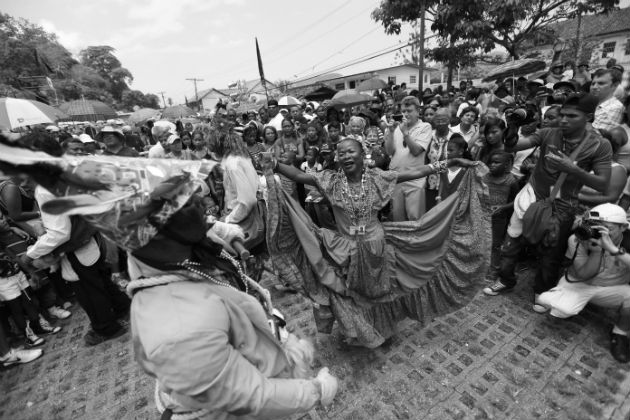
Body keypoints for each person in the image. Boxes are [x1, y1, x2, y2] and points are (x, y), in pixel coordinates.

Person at [0, 139, 339, 418]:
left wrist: (219, 230)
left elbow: (190, 226)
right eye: (191, 204)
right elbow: (246, 395)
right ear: (163, 228)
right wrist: (315, 391)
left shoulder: (164, 250)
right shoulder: (180, 329)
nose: (203, 203)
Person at [262, 137, 487, 348]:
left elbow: (416, 171)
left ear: (363, 154)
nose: (346, 156)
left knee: (378, 292)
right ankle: (362, 330)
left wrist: (452, 162)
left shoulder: (378, 177)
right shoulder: (329, 180)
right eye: (341, 153)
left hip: (376, 247)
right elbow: (299, 177)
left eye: (351, 151)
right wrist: (275, 165)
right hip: (345, 248)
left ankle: (381, 328)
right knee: (351, 292)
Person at [483, 93, 612, 313]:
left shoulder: (600, 145)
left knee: (550, 253)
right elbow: (512, 147)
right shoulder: (549, 132)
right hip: (532, 195)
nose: (563, 120)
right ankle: (506, 279)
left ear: (588, 117)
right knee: (511, 242)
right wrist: (513, 126)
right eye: (562, 114)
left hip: (562, 206)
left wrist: (573, 170)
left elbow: (603, 184)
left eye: (571, 116)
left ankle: (541, 291)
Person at [536, 204, 630, 362]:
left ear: (623, 227)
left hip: (613, 289)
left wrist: (614, 250)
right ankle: (569, 299)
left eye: (607, 228)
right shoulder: (578, 239)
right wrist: (597, 250)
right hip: (581, 283)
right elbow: (584, 274)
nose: (600, 232)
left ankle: (619, 333)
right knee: (556, 306)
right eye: (596, 227)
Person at [384, 95, 433, 221]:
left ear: (418, 111)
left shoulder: (425, 126)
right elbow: (389, 151)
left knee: (415, 218)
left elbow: (416, 151)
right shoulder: (397, 128)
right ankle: (400, 241)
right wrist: (390, 131)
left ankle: (417, 241)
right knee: (398, 217)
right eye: (403, 111)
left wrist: (405, 133)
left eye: (409, 111)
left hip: (415, 178)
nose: (406, 114)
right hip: (397, 177)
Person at [482, 151, 519, 282]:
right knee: (481, 241)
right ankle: (480, 267)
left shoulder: (511, 181)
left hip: (499, 219)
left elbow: (517, 201)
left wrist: (503, 208)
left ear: (506, 165)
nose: (492, 165)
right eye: (491, 162)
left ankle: (493, 269)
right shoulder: (484, 178)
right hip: (483, 215)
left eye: (496, 162)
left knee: (495, 244)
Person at [425, 108, 453, 211]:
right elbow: (424, 159)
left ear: (449, 120)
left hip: (448, 183)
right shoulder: (429, 136)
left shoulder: (454, 136)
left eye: (444, 119)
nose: (440, 123)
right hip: (430, 182)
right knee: (430, 211)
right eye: (438, 120)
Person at [436, 134, 472, 202]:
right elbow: (442, 182)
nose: (448, 153)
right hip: (443, 203)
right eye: (447, 150)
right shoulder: (443, 165)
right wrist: (439, 197)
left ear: (461, 151)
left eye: (451, 150)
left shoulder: (466, 169)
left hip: (457, 206)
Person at [591, 68, 625, 132]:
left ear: (615, 85)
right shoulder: (595, 103)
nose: (594, 87)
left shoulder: (613, 108)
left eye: (601, 83)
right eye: (593, 83)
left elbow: (594, 137)